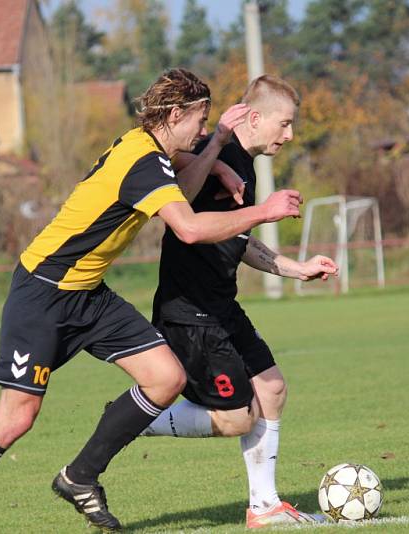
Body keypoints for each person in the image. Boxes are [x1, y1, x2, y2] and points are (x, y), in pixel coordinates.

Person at [0, 69, 305, 534]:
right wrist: (266, 210)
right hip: (43, 292)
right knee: (15, 419)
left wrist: (217, 151)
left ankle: (80, 476)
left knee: (166, 378)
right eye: (200, 122)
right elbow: (189, 227)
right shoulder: (144, 164)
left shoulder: (143, 147)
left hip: (89, 294)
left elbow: (180, 171)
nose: (203, 132)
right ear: (176, 114)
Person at [144, 75, 339, 529]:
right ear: (255, 117)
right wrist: (214, 157)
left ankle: (265, 506)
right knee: (237, 417)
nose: (290, 135)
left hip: (221, 305)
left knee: (271, 388)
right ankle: (142, 415)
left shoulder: (244, 166)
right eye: (284, 124)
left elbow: (241, 241)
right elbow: (182, 210)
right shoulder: (221, 152)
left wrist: (298, 268)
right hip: (190, 311)